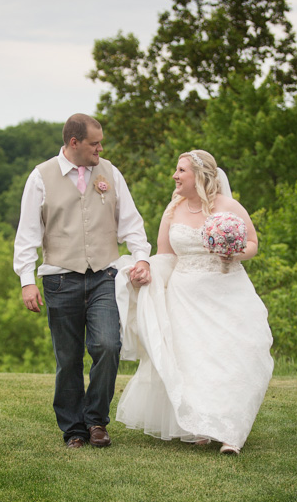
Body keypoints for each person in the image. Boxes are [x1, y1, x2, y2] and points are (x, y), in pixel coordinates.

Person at [115, 149, 273, 454]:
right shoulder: (172, 211)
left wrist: (234, 253)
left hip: (226, 290)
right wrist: (145, 270)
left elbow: (252, 243)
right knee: (194, 360)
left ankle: (231, 433)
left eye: (181, 170)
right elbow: (165, 254)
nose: (175, 176)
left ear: (199, 176)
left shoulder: (228, 206)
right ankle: (201, 423)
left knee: (232, 358)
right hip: (185, 294)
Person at [14, 113, 151, 449]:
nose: (100, 148)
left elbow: (131, 223)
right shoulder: (41, 177)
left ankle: (96, 420)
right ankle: (73, 428)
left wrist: (142, 257)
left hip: (105, 275)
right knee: (69, 358)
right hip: (60, 279)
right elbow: (28, 233)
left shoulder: (111, 173)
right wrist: (26, 279)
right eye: (94, 143)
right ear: (73, 143)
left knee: (108, 345)